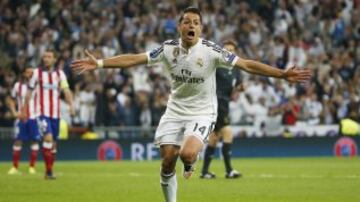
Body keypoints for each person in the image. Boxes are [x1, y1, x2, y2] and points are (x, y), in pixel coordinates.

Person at [71, 7, 311, 202]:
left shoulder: (211, 51)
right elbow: (135, 59)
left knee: (186, 153)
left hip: (203, 112)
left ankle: (191, 161)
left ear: (201, 28)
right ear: (180, 26)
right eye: (187, 21)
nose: (192, 25)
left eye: (196, 22)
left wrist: (281, 74)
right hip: (175, 110)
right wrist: (100, 63)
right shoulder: (167, 49)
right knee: (167, 161)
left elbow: (247, 64)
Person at [22, 50, 75, 179]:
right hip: (42, 113)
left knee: (54, 144)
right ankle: (49, 172)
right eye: (44, 56)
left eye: (49, 57)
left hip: (55, 114)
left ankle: (49, 170)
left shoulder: (59, 74)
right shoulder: (36, 73)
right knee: (48, 139)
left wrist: (71, 105)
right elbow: (29, 92)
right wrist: (24, 109)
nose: (46, 59)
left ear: (54, 59)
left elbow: (66, 90)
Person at [200, 40, 242, 179]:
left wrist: (239, 89)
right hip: (216, 103)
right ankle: (229, 171)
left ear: (235, 52)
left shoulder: (236, 69)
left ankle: (205, 172)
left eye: (232, 49)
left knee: (213, 138)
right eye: (226, 50)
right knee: (228, 134)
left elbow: (238, 86)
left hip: (225, 103)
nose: (229, 52)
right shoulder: (217, 65)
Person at [7, 67, 41, 175]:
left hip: (34, 117)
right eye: (28, 72)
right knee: (18, 141)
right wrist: (13, 111)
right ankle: (15, 167)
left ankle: (32, 167)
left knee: (34, 141)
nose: (30, 74)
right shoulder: (18, 86)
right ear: (23, 73)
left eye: (32, 73)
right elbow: (10, 99)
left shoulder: (38, 86)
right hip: (21, 118)